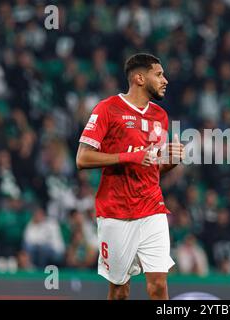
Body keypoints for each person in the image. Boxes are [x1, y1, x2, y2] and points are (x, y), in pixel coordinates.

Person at [76, 53, 184, 300]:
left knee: (158, 285)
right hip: (116, 212)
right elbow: (82, 159)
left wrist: (171, 161)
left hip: (152, 209)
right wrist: (129, 157)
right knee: (120, 290)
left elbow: (152, 166)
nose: (165, 80)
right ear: (139, 78)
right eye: (158, 75)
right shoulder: (108, 109)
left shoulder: (160, 116)